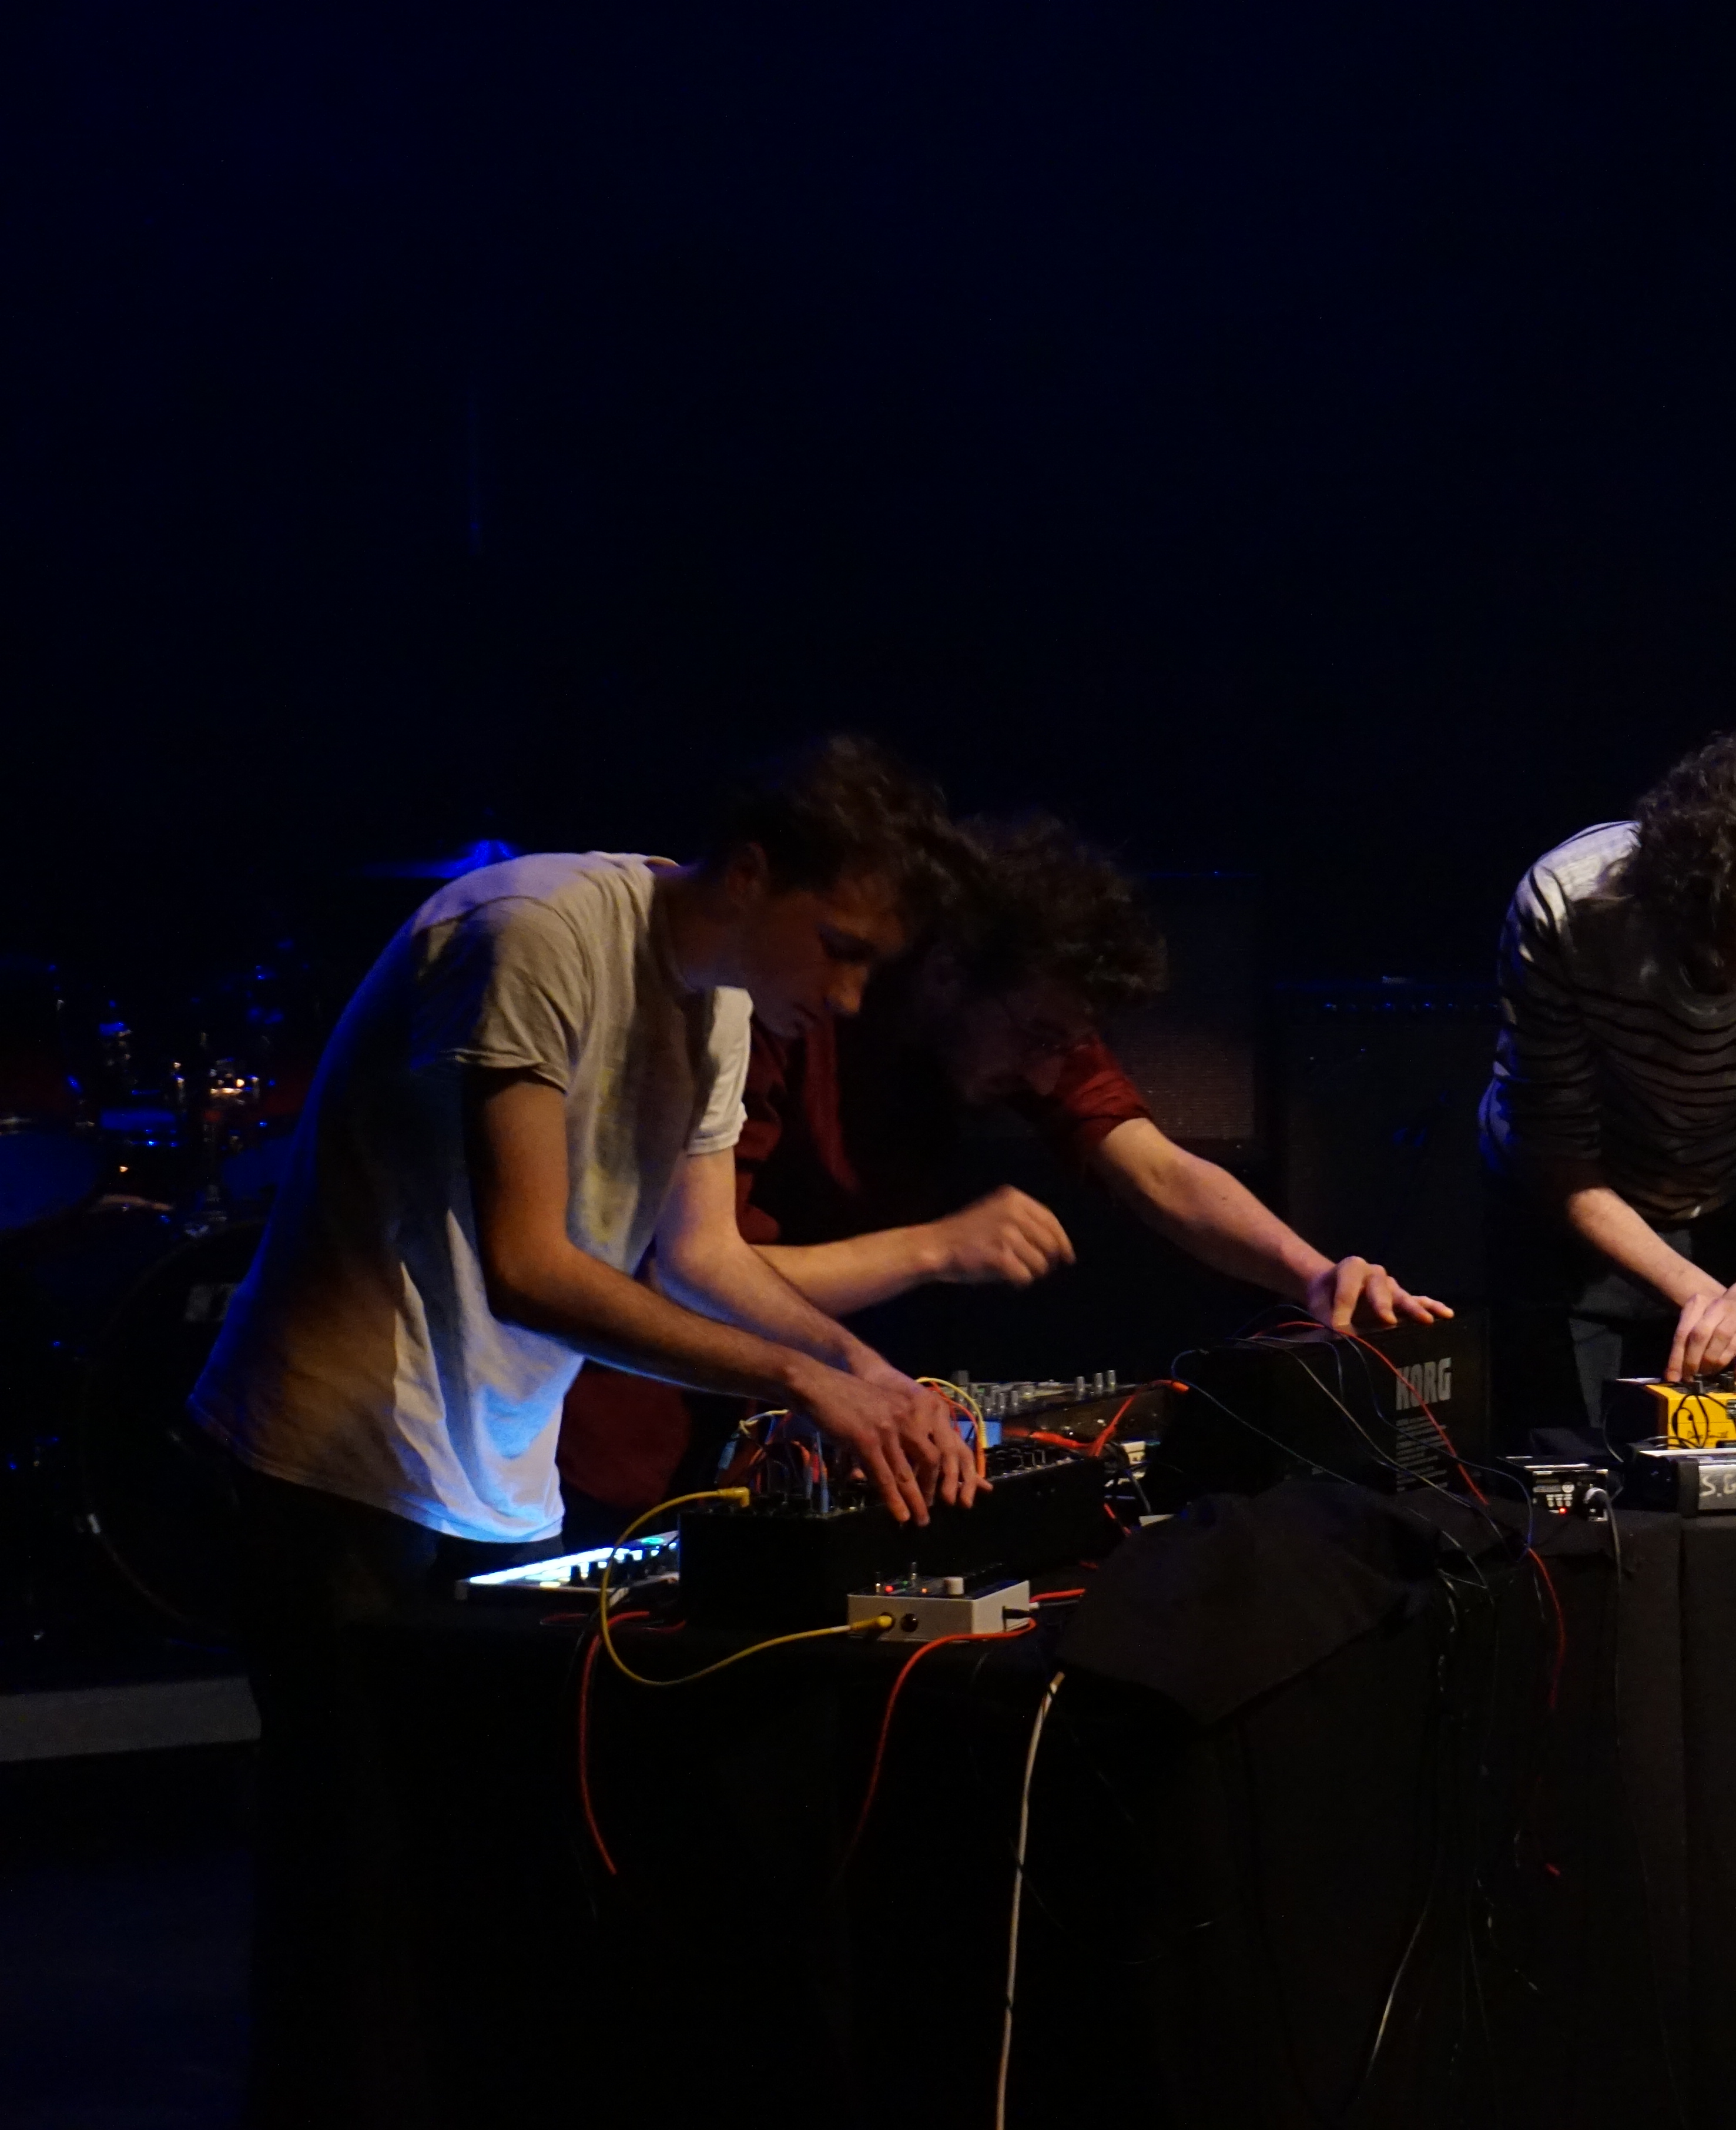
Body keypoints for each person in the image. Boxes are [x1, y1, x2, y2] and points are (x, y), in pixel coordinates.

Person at [193, 736, 980, 2125]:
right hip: (332, 1463)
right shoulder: (534, 932)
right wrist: (802, 1384)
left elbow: (704, 1257)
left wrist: (872, 1372)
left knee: (485, 1890)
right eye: (842, 948)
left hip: (490, 1474)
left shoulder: (721, 1006)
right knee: (358, 1910)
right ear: (752, 872)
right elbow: (530, 1265)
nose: (850, 996)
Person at [555, 810, 1447, 1536]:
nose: (1049, 1075)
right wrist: (935, 1249)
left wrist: (1312, 1275)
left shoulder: (1015, 1013)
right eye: (1040, 1038)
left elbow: (1159, 1171)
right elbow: (689, 1272)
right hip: (635, 1427)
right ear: (948, 975)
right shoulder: (797, 1001)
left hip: (801, 1408)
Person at [1482, 728, 1736, 1431]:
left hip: (1723, 1204)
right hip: (1562, 1214)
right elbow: (1553, 1143)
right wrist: (1716, 1304)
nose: (1729, 978)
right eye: (1707, 947)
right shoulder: (1568, 901)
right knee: (1563, 1464)